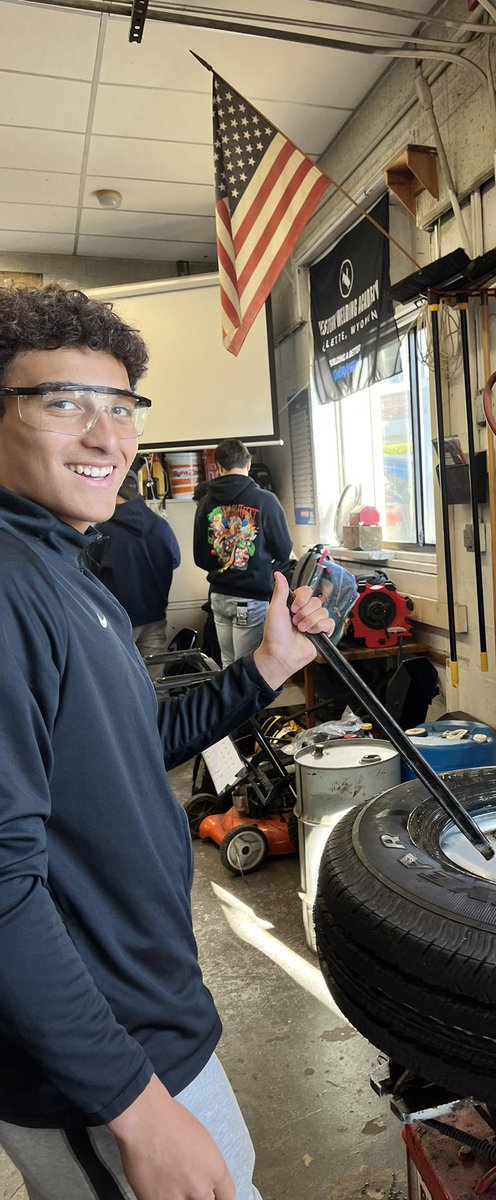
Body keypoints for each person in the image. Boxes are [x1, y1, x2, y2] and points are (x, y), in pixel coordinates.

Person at [0, 282, 333, 1200]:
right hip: (99, 1067)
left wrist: (266, 666)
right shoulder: (6, 589)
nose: (108, 438)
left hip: (143, 1021)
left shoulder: (63, 568)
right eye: (63, 403)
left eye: (120, 408)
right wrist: (135, 1108)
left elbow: (135, 741)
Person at [193, 439, 294, 667]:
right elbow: (284, 551)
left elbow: (200, 557)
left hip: (218, 596)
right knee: (248, 667)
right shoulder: (265, 500)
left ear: (218, 466)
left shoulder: (206, 502)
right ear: (248, 463)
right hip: (251, 596)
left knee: (228, 664)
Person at [86, 468, 181, 677]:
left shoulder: (102, 532)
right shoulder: (160, 525)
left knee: (122, 683)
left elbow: (88, 576)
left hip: (118, 621)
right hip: (155, 616)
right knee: (156, 682)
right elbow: (175, 561)